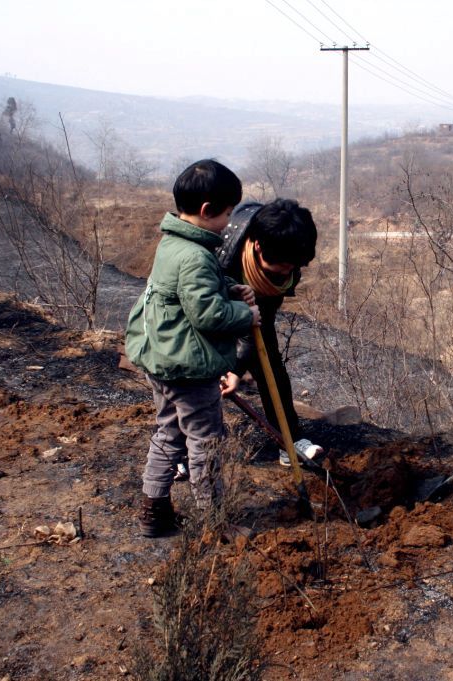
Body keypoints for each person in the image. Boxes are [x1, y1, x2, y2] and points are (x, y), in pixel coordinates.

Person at [125, 159, 260, 538]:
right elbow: (208, 316)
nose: (229, 221)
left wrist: (228, 286)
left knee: (168, 432)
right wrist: (245, 314)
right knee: (206, 441)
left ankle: (154, 511)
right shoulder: (196, 256)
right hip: (187, 367)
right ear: (207, 211)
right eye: (229, 213)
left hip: (161, 359)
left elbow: (186, 293)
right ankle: (215, 522)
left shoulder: (174, 242)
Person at [216, 198, 323, 467]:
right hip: (208, 308)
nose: (290, 272)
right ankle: (184, 451)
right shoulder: (222, 251)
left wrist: (237, 368)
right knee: (200, 377)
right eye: (284, 266)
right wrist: (229, 367)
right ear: (258, 247)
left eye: (294, 267)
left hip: (252, 312)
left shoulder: (287, 253)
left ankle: (290, 441)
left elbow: (257, 326)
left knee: (270, 364)